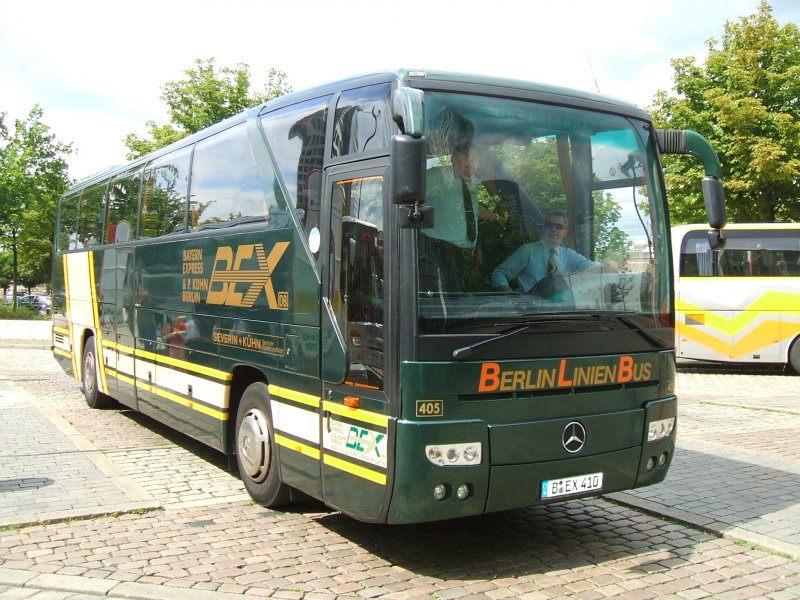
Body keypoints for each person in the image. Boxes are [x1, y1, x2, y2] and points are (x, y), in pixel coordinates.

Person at [491, 210, 601, 300]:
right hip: (531, 314)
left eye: (558, 226)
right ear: (544, 228)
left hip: (564, 315)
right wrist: (511, 297)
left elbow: (594, 268)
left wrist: (609, 265)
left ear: (565, 232)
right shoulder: (527, 250)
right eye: (549, 225)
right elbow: (499, 273)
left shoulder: (570, 256)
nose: (553, 229)